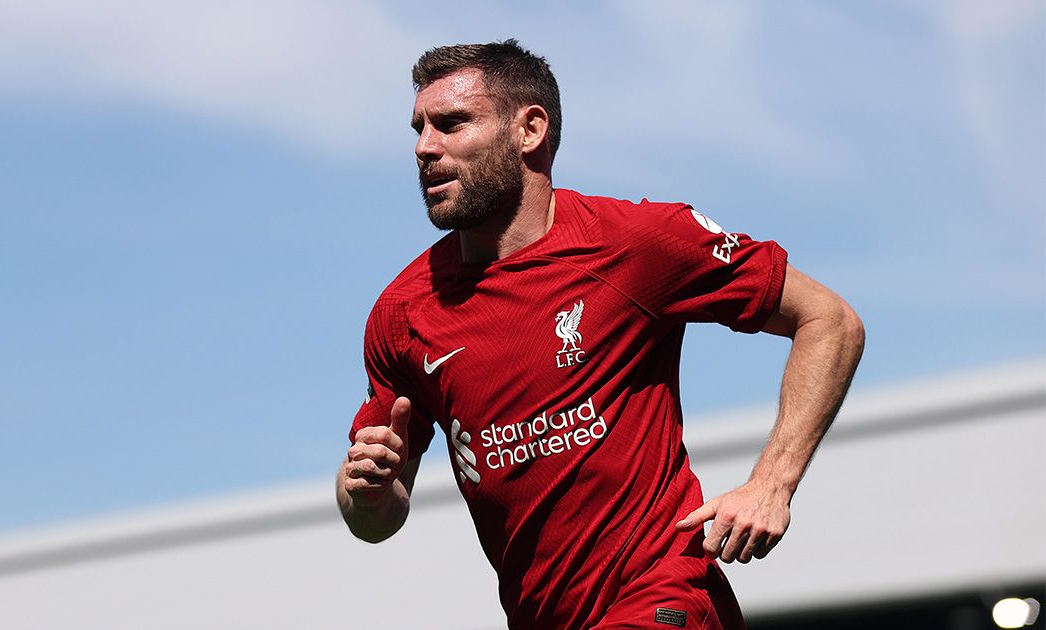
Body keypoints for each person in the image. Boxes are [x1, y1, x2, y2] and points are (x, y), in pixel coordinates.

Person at [335, 39, 864, 630]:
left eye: (451, 123)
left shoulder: (639, 243)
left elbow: (829, 321)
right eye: (418, 129)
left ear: (530, 129)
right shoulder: (404, 311)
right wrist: (366, 492)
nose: (424, 148)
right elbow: (375, 520)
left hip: (666, 594)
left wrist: (773, 483)